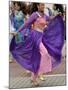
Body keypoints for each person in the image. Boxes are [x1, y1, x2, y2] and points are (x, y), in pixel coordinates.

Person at [10, 3, 64, 86]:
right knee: (45, 53)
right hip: (34, 37)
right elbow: (26, 24)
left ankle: (33, 78)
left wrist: (57, 16)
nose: (43, 6)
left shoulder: (44, 15)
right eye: (41, 5)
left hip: (41, 37)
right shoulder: (35, 15)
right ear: (38, 6)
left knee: (38, 58)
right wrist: (18, 31)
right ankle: (36, 75)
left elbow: (50, 19)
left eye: (43, 5)